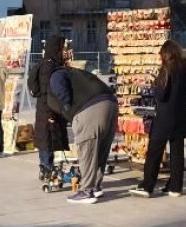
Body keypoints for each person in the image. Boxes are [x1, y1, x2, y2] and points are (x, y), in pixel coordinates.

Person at [129, 40, 186, 197]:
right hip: (182, 116)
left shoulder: (166, 70)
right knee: (177, 152)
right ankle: (175, 187)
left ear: (165, 55)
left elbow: (161, 95)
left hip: (165, 117)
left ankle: (147, 186)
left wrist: (154, 86)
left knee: (154, 152)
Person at [48, 64, 118, 204]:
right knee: (100, 149)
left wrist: (67, 106)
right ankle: (96, 186)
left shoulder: (56, 74)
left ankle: (87, 191)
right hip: (111, 103)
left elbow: (58, 84)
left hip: (90, 109)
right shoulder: (76, 74)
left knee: (87, 149)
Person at [27, 35, 70, 179]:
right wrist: (51, 114)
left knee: (46, 140)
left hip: (44, 110)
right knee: (47, 140)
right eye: (61, 48)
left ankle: (45, 168)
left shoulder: (45, 63)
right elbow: (47, 93)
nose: (64, 51)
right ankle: (46, 169)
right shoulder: (49, 67)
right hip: (48, 110)